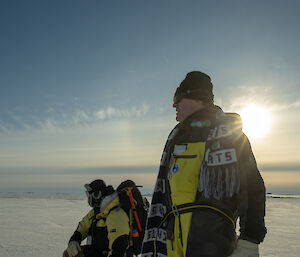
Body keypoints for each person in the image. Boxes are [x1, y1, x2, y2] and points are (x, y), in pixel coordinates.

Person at [141, 71, 267, 257]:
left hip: (214, 246)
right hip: (175, 246)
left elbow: (252, 188)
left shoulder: (231, 138)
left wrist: (249, 239)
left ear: (195, 97)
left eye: (178, 100)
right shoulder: (176, 142)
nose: (174, 105)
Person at [63, 179, 131, 257]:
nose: (88, 199)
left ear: (97, 195)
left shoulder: (116, 214)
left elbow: (119, 249)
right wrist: (74, 240)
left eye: (90, 196)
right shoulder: (96, 212)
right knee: (68, 254)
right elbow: (83, 226)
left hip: (111, 254)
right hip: (98, 252)